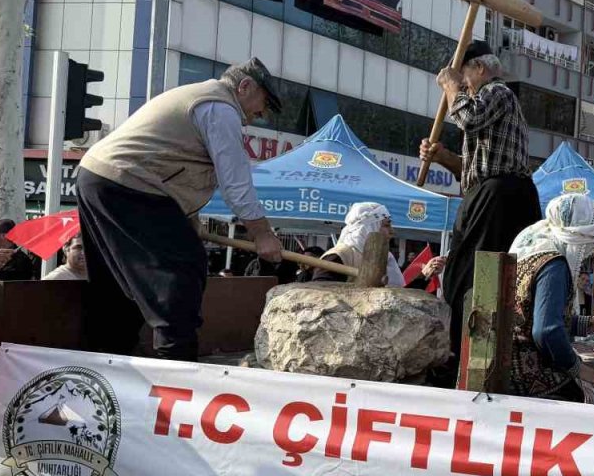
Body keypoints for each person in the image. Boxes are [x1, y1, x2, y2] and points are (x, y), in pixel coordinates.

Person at [77, 57, 284, 361]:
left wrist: (188, 221)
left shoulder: (202, 101)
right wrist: (262, 233)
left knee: (119, 280)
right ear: (245, 86)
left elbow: (175, 170)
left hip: (102, 178)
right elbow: (236, 182)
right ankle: (175, 360)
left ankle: (108, 356)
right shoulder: (220, 108)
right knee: (183, 268)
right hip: (129, 184)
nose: (260, 114)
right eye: (264, 104)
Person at [421, 41, 541, 380]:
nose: (463, 83)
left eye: (465, 76)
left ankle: (470, 356)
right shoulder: (486, 103)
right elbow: (474, 170)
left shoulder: (497, 93)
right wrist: (442, 156)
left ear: (480, 69)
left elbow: (469, 119)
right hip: (487, 193)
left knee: (476, 277)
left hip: (503, 197)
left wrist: (450, 86)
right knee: (460, 276)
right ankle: (459, 352)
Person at [506, 194, 594, 402]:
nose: (587, 254)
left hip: (509, 364)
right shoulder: (554, 264)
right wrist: (580, 369)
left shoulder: (531, 244)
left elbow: (532, 314)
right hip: (527, 375)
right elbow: (546, 331)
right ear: (578, 237)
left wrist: (590, 323)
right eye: (590, 245)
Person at [313, 203, 441, 289]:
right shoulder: (340, 256)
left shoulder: (386, 258)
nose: (392, 231)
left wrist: (425, 275)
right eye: (386, 225)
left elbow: (398, 302)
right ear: (368, 228)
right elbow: (318, 296)